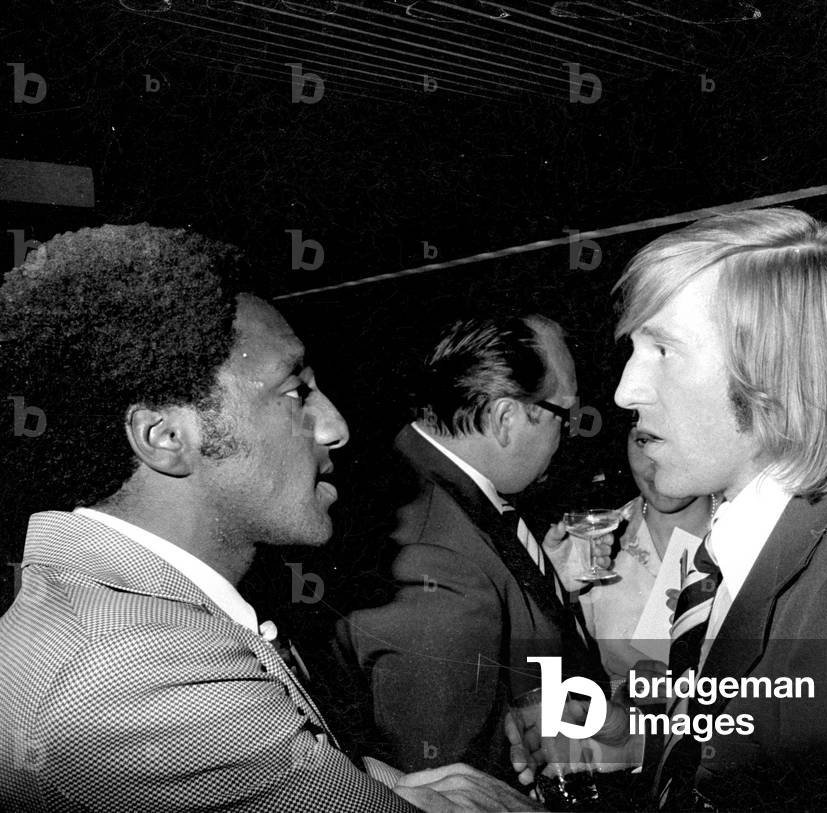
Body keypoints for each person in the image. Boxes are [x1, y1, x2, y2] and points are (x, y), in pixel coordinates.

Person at [0, 225, 537, 813]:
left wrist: (381, 785)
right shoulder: (140, 669)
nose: (334, 427)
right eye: (295, 392)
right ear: (167, 436)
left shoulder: (115, 612)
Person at [511, 208, 827, 809]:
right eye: (635, 349)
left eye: (663, 349)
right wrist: (628, 737)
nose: (625, 391)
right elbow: (763, 738)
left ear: (776, 378)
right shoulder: (749, 539)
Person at [334, 315, 608, 778]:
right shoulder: (435, 560)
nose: (565, 435)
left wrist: (547, 582)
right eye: (564, 416)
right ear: (505, 419)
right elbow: (454, 782)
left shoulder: (433, 485)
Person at [545, 427, 713, 689]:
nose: (656, 461)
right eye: (644, 440)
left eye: (677, 439)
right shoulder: (596, 543)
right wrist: (548, 586)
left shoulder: (750, 537)